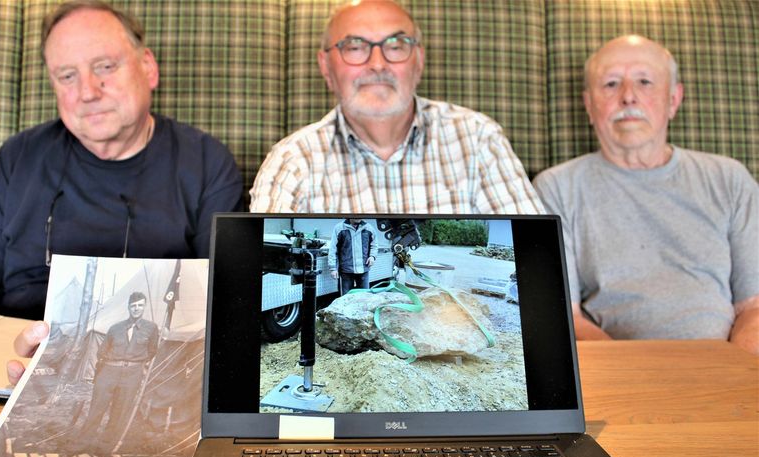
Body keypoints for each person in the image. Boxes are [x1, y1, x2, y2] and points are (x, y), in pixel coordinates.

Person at [0, 1, 243, 382]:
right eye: (67, 75)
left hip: (146, 373)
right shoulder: (18, 158)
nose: (87, 91)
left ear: (148, 67)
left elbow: (224, 315)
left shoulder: (206, 163)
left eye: (104, 67)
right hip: (11, 370)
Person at [533, 35, 759, 355]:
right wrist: (636, 372)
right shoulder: (555, 187)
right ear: (589, 105)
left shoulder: (730, 179)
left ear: (673, 99)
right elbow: (566, 317)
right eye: (611, 84)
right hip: (619, 369)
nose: (628, 96)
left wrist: (738, 373)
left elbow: (753, 306)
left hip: (726, 365)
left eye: (644, 81)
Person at [249, 0, 542, 214]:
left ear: (419, 61)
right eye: (355, 46)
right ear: (325, 67)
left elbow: (531, 265)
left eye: (396, 45)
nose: (378, 64)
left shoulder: (478, 139)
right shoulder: (292, 161)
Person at [68, 292, 159, 455]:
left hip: (132, 375)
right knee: (96, 410)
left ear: (144, 307)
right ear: (128, 307)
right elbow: (102, 351)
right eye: (133, 305)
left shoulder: (151, 328)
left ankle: (104, 448)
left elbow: (152, 351)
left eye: (140, 305)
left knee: (119, 413)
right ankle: (80, 445)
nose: (136, 309)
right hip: (109, 372)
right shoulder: (115, 328)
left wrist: (135, 363)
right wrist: (109, 366)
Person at [328, 218, 378, 295]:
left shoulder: (369, 228)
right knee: (346, 297)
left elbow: (374, 245)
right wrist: (333, 268)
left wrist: (372, 256)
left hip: (363, 269)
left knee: (364, 297)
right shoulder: (339, 228)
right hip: (346, 270)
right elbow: (333, 249)